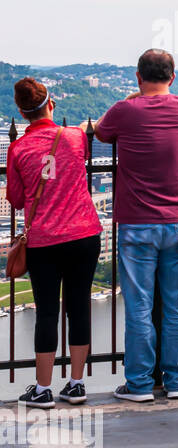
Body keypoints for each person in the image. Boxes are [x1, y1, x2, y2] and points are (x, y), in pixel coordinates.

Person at [94, 49, 178, 402]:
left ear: (137, 76)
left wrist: (132, 99)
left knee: (139, 306)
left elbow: (99, 131)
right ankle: (176, 381)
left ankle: (140, 384)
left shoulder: (125, 111)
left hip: (137, 223)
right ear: (172, 77)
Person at [7, 78, 103, 408]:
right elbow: (82, 156)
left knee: (47, 312)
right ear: (51, 104)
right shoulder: (75, 137)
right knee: (79, 308)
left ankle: (43, 388)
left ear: (21, 112)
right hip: (84, 233)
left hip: (45, 241)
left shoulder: (18, 148)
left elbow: (17, 200)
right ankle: (76, 383)